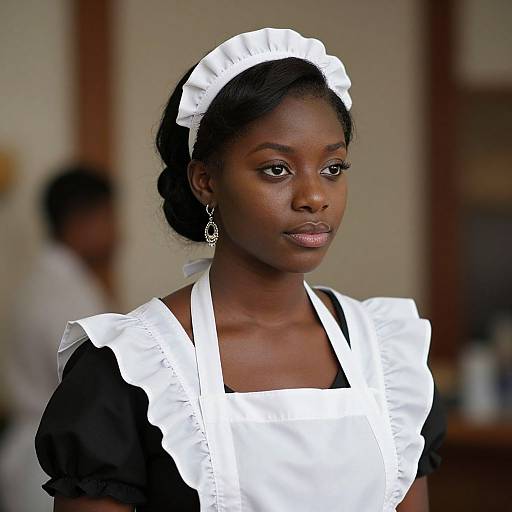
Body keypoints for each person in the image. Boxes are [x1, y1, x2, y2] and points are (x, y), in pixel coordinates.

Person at [35, 28, 446, 511]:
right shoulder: (131, 368)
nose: (314, 197)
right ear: (205, 181)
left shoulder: (389, 356)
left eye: (332, 167)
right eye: (277, 168)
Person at [0, 166, 118, 512]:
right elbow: (92, 386)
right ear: (83, 220)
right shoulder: (63, 295)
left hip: (35, 448)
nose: (117, 233)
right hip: (50, 457)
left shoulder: (45, 283)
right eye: (109, 217)